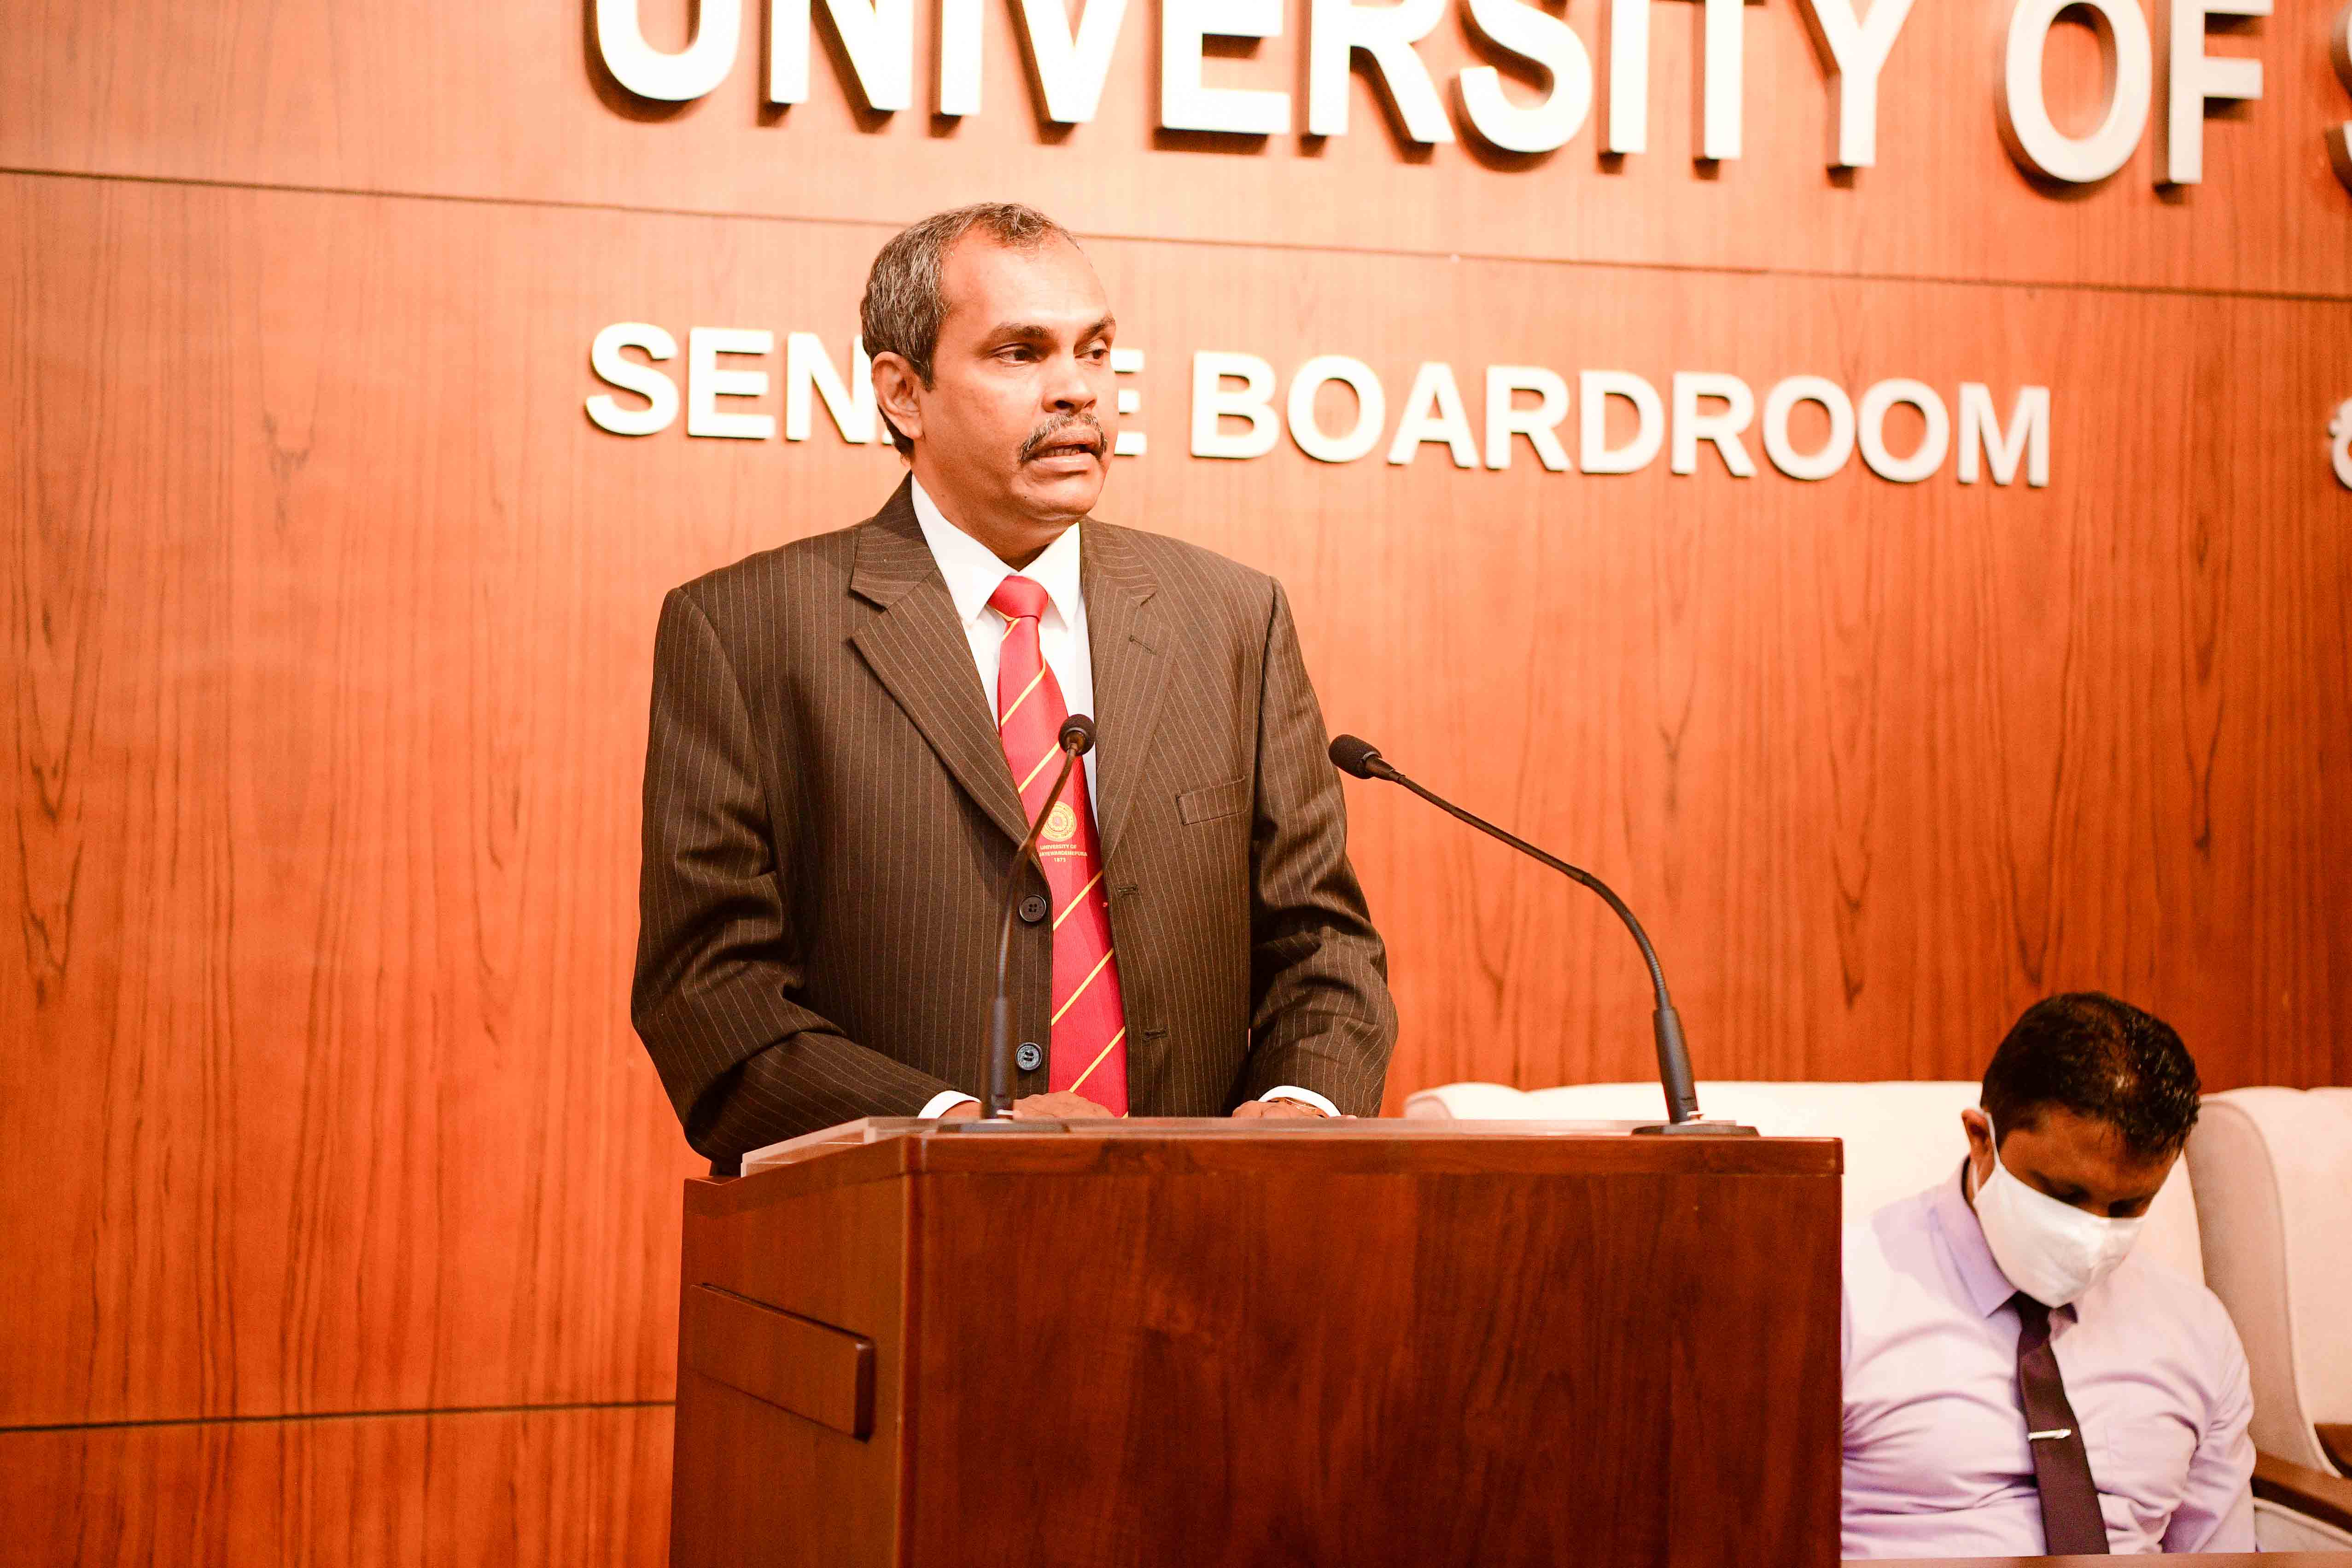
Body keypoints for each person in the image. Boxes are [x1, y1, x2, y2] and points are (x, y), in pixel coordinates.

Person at [632, 203, 1397, 1168]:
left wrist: (1301, 1105)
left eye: (1095, 351)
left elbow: (1324, 946)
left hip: (1201, 1224)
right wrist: (953, 1127)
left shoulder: (1233, 618)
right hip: (896, 1227)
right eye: (1021, 352)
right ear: (903, 393)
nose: (1076, 389)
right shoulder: (748, 630)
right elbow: (711, 998)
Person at [1842, 993, 2255, 1556]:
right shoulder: (1840, 1295)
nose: (2092, 1234)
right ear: (1981, 1139)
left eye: (2128, 1205)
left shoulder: (2196, 1332)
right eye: (2063, 1195)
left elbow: (2222, 1556)